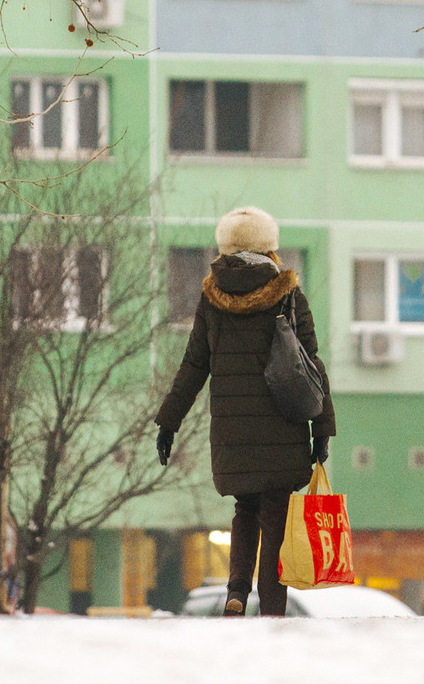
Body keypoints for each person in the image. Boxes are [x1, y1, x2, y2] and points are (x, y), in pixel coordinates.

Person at [154, 205, 335, 617]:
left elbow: (194, 365)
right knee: (275, 516)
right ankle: (272, 611)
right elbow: (312, 363)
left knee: (245, 508)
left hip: (232, 433)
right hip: (282, 427)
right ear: (270, 247)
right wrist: (322, 428)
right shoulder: (288, 295)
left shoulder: (210, 299)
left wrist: (169, 422)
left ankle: (236, 591)